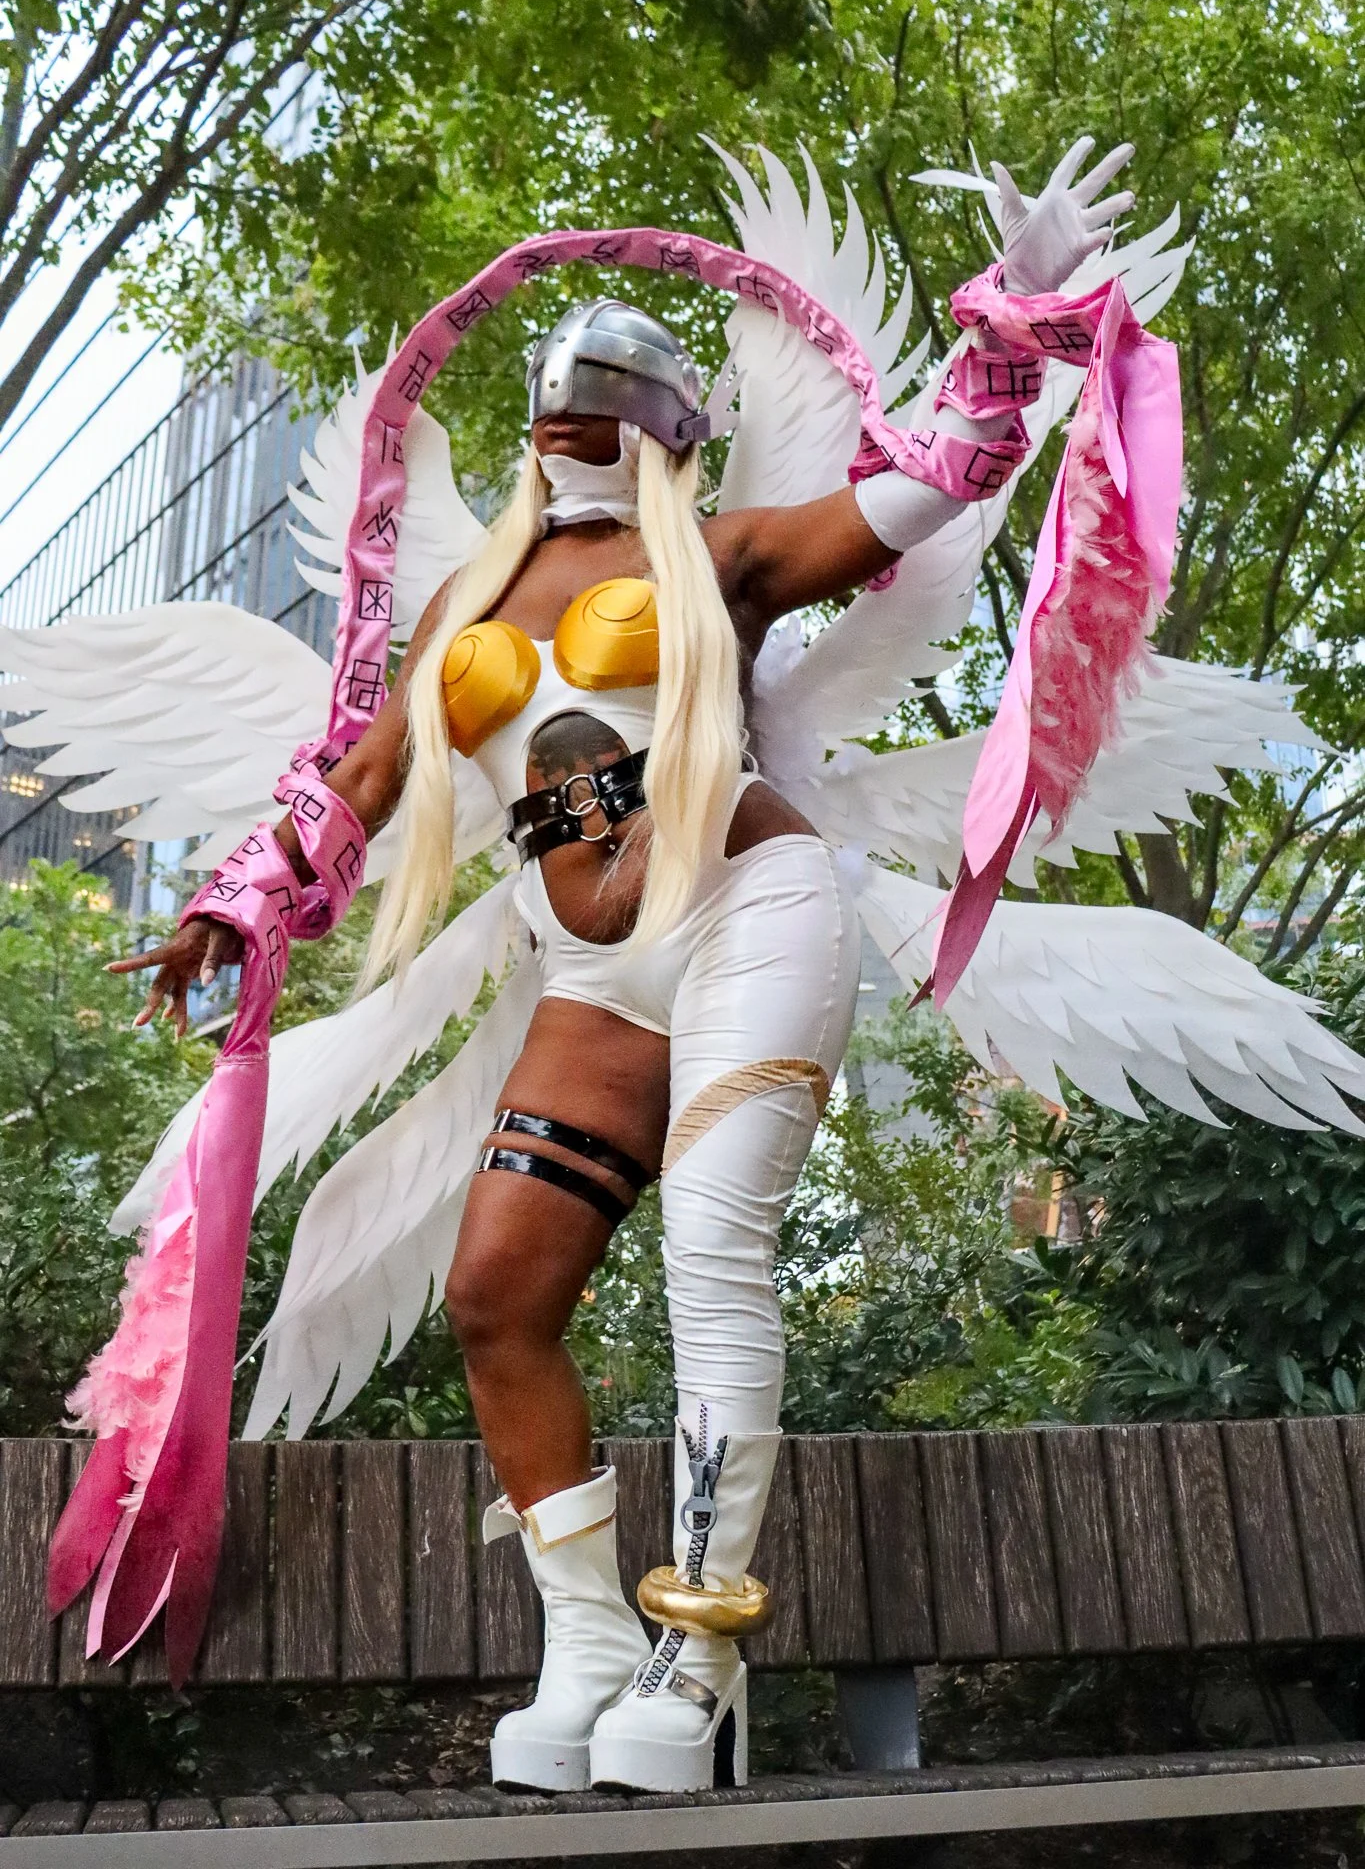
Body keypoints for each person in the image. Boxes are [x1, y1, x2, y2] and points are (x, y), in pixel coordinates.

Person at [107, 144, 1137, 1792]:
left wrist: (1013, 319)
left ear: (671, 430)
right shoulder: (469, 595)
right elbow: (356, 786)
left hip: (747, 904)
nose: (579, 416)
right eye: (559, 397)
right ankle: (585, 1640)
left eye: (617, 397)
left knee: (713, 1248)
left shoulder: (716, 555)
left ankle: (699, 1644)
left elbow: (921, 482)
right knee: (497, 1296)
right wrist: (240, 906)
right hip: (589, 976)